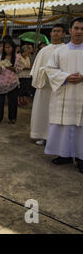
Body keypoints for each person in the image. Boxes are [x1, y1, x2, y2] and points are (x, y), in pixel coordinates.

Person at [44, 18, 83, 173]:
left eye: (82, 28)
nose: (79, 31)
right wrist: (65, 77)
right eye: (77, 28)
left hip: (81, 95)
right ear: (70, 31)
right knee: (63, 126)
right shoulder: (59, 51)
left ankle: (81, 157)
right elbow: (50, 69)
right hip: (64, 93)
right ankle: (64, 155)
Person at [30, 24, 65, 146]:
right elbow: (36, 69)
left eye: (59, 31)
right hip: (44, 86)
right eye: (54, 31)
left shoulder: (65, 49)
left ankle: (55, 137)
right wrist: (44, 72)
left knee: (56, 113)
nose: (56, 33)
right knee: (43, 112)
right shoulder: (44, 50)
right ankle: (41, 135)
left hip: (59, 87)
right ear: (50, 33)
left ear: (64, 34)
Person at [0, 37, 24, 125]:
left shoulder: (18, 57)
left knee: (12, 102)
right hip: (1, 82)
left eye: (9, 47)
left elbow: (19, 69)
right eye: (5, 47)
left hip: (12, 82)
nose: (7, 49)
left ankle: (12, 118)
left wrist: (10, 67)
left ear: (13, 48)